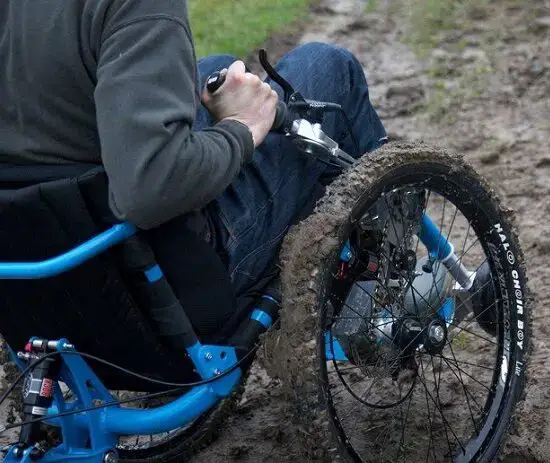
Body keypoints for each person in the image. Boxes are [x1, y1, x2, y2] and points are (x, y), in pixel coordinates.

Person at [0, 0, 387, 296]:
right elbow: (150, 189)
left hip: (36, 272)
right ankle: (385, 279)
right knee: (327, 66)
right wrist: (242, 127)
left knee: (214, 70)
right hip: (162, 277)